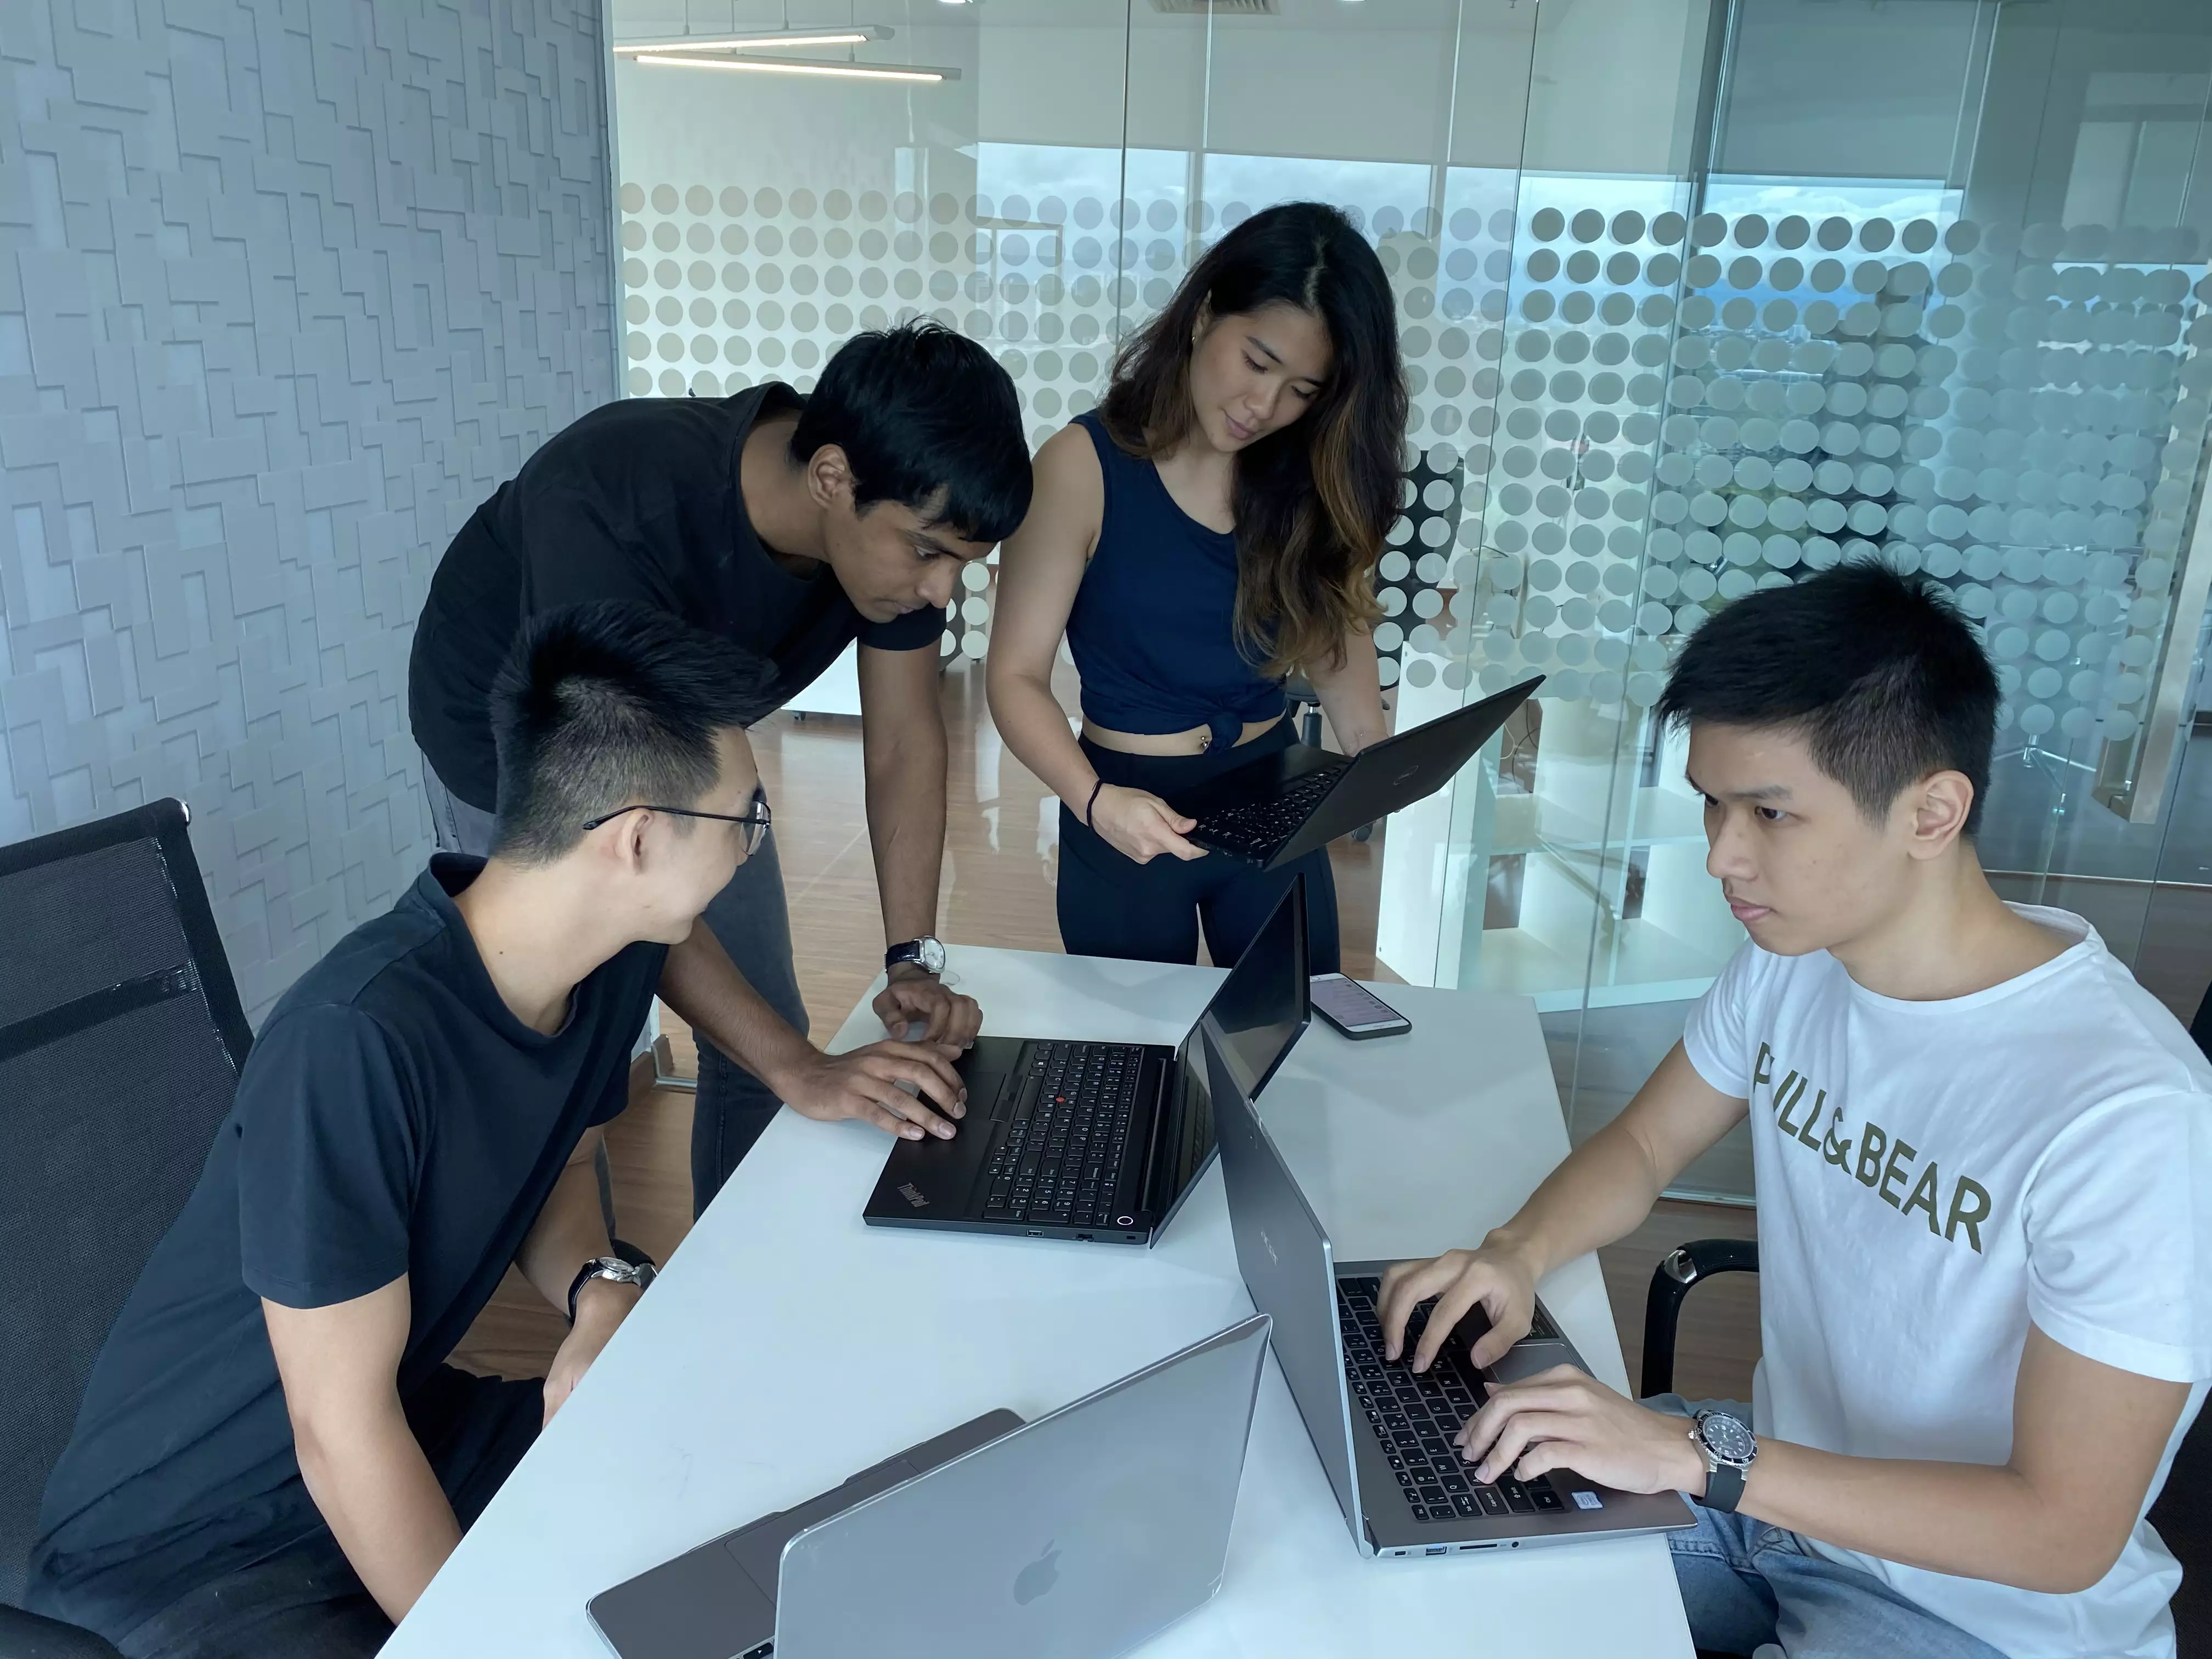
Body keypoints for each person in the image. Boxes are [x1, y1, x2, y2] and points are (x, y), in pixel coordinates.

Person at [28, 602, 972, 1657]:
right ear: (640, 837)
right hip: (195, 1545)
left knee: (748, 1469)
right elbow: (334, 1436)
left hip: (406, 1434)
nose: (755, 848)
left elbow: (555, 1170)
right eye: (747, 818)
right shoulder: (355, 1041)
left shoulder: (609, 962)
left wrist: (600, 1290)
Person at [1377, 562, 2212, 1659]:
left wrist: (1700, 1460)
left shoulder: (2128, 1114)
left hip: (1973, 1615)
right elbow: (1643, 1144)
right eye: (1713, 806)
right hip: (1770, 1506)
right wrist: (1516, 1254)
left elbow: (2063, 1533)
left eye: (1770, 812)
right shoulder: (1799, 962)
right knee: (1420, 1559)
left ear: (1933, 811)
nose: (1723, 856)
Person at [408, 323, 1031, 1216]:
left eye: (963, 566)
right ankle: (587, 1298)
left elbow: (903, 740)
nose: (943, 593)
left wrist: (911, 962)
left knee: (767, 1027)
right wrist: (802, 1071)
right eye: (931, 552)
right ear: (832, 478)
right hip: (513, 742)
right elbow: (623, 841)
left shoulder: (886, 539)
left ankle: (734, 1282)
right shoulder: (616, 502)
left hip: (686, 740)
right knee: (560, 1051)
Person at [987, 202, 1408, 973]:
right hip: (1126, 802)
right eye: (1256, 361)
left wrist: (1374, 751)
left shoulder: (1313, 480)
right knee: (1136, 1066)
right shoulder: (1082, 468)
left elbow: (1340, 636)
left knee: (1297, 1047)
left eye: (1303, 390)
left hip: (1271, 788)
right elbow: (1014, 677)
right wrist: (1092, 800)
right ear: (1204, 314)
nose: (1264, 407)